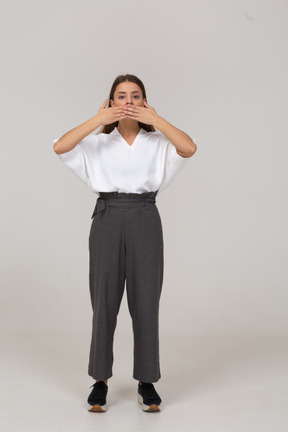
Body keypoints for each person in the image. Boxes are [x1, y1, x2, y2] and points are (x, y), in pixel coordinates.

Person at [53, 74, 197, 413]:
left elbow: (189, 148)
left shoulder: (158, 141)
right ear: (111, 102)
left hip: (145, 216)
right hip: (107, 217)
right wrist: (98, 120)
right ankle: (100, 379)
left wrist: (156, 120)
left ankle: (146, 381)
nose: (128, 102)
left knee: (146, 302)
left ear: (145, 102)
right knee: (104, 302)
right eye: (121, 96)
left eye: (135, 96)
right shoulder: (98, 143)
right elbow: (60, 146)